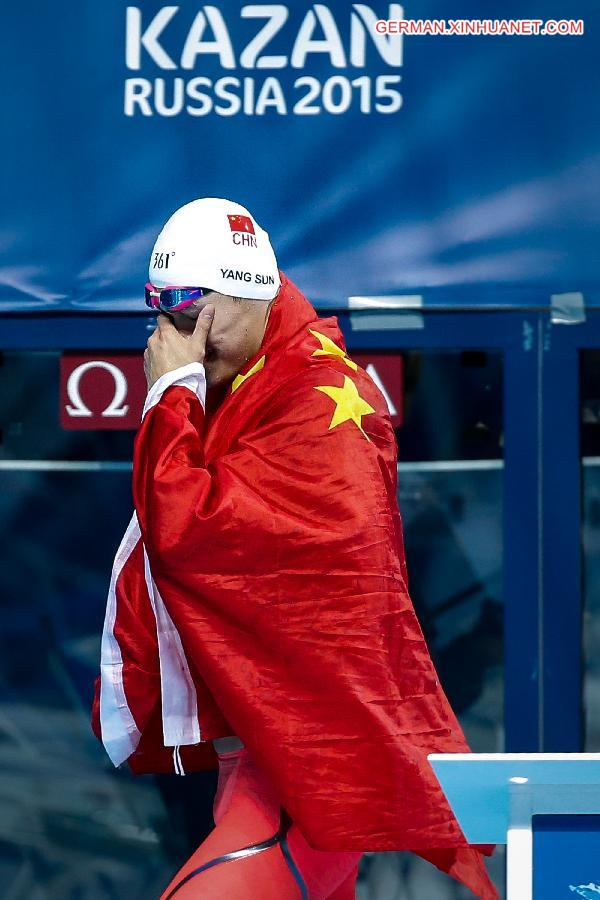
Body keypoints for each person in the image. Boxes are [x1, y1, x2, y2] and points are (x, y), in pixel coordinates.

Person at [91, 197, 498, 899]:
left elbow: (188, 532)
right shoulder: (254, 384)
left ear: (247, 295)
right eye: (161, 318)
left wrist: (171, 394)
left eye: (189, 319)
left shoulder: (319, 407)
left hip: (299, 783)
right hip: (265, 771)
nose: (173, 340)